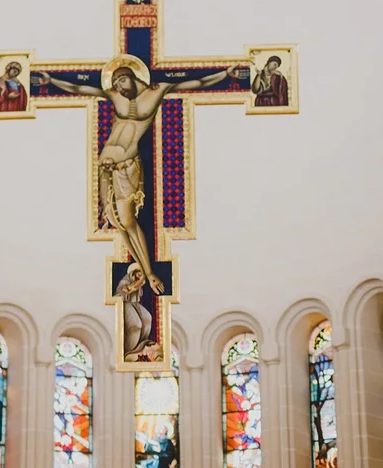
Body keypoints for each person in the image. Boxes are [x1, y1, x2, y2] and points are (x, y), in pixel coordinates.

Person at [34, 62, 243, 296]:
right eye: (115, 84)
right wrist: (51, 81)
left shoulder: (157, 90)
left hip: (126, 168)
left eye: (122, 81)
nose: (119, 87)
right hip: (106, 168)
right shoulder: (114, 95)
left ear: (132, 76)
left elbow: (198, 82)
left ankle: (149, 272)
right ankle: (147, 270)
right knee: (117, 223)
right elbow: (79, 89)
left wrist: (225, 74)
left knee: (129, 222)